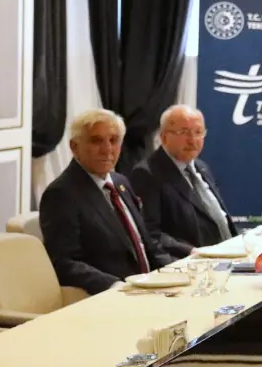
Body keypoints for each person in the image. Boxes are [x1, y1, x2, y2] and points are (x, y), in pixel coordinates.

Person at [40, 108, 185, 294]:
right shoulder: (62, 194)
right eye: (96, 140)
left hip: (152, 287)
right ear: (74, 147)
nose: (107, 149)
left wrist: (177, 271)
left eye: (114, 140)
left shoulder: (120, 182)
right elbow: (63, 263)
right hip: (115, 295)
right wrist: (115, 286)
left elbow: (145, 245)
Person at [130, 105, 234, 250]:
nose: (193, 140)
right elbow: (150, 233)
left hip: (228, 252)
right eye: (184, 132)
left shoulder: (201, 166)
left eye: (198, 132)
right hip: (192, 259)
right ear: (164, 137)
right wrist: (191, 252)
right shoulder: (147, 174)